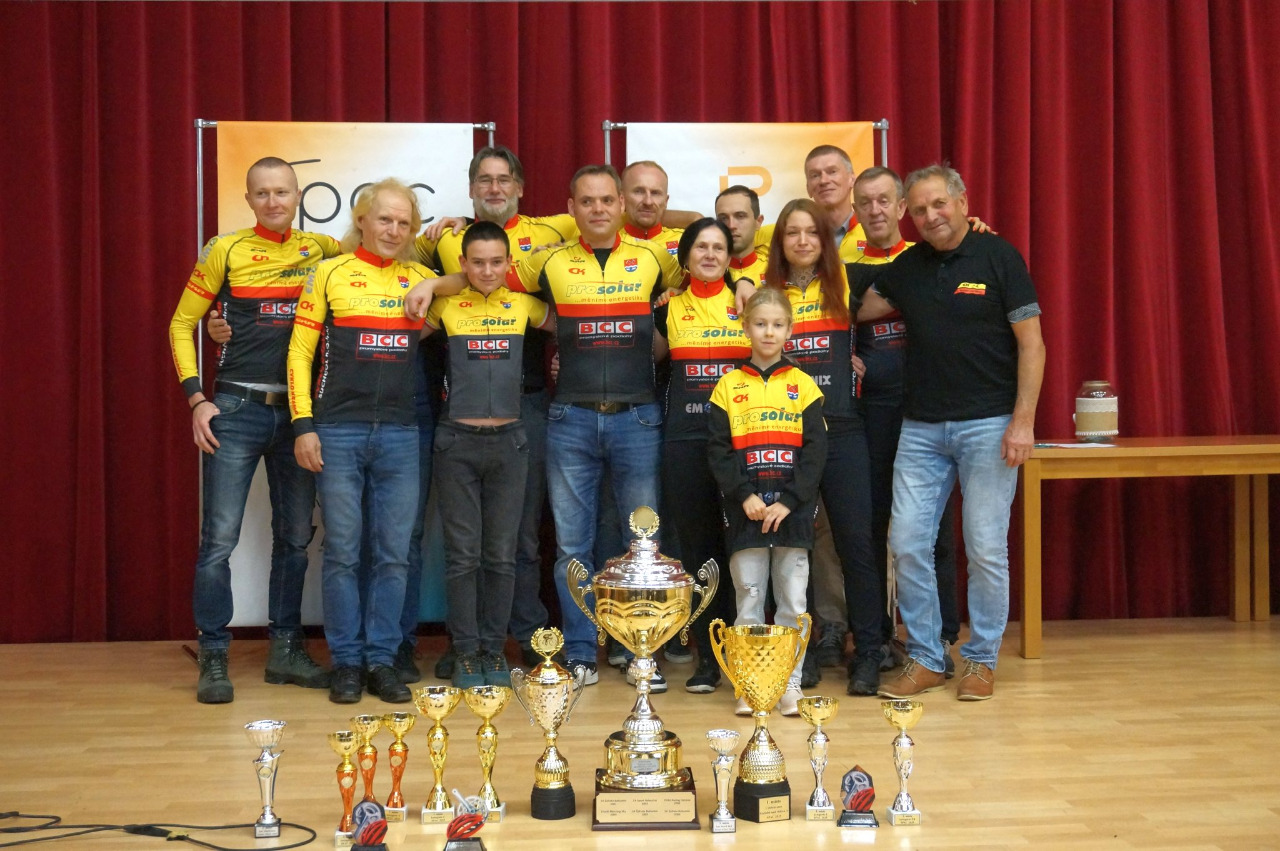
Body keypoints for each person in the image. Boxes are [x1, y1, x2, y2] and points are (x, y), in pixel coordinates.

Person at [859, 164, 1045, 702]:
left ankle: (981, 661)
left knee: (985, 549)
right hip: (920, 429)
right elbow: (857, 306)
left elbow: (1032, 344)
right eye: (919, 209)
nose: (930, 216)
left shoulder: (999, 256)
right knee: (906, 543)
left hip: (990, 425)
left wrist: (1023, 421)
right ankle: (926, 657)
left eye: (939, 203)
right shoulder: (908, 266)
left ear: (963, 202)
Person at [168, 156, 337, 704]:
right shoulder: (226, 249)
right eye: (262, 193)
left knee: (295, 537)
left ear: (298, 195)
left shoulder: (321, 250)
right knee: (219, 539)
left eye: (282, 191)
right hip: (236, 409)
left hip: (299, 415)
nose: (273, 201)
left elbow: (381, 254)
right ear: (248, 200)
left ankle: (285, 652)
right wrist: (197, 399)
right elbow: (181, 323)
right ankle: (214, 655)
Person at [509, 164, 682, 683]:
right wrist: (435, 284)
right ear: (572, 208)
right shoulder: (549, 261)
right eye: (587, 201)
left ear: (622, 204)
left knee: (642, 545)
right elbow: (487, 277)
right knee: (571, 547)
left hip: (638, 418)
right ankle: (582, 652)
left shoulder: (655, 257)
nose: (599, 209)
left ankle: (637, 651)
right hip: (571, 419)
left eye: (608, 200)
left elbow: (708, 272)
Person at [416, 146, 573, 679]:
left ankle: (509, 641)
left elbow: (574, 320)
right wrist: (434, 283)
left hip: (522, 414)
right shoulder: (444, 247)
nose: (494, 188)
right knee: (463, 550)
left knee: (515, 543)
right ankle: (467, 647)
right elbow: (401, 325)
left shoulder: (551, 236)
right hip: (458, 424)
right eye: (484, 180)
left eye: (504, 179)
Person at [287, 178, 438, 705]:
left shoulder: (420, 280)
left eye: (404, 223)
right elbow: (300, 352)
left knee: (394, 555)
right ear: (362, 221)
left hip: (401, 432)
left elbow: (480, 281)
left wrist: (438, 284)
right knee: (343, 553)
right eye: (384, 219)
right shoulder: (329, 273)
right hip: (337, 430)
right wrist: (303, 424)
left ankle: (382, 660)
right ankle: (347, 663)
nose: (393, 230)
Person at [845, 166, 961, 691]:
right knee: (870, 530)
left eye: (883, 200)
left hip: (925, 410)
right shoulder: (842, 266)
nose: (874, 210)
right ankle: (874, 640)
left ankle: (938, 640)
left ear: (900, 209)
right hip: (868, 413)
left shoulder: (928, 257)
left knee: (933, 531)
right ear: (855, 211)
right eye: (864, 202)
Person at [761, 199, 878, 701]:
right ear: (780, 242)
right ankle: (801, 653)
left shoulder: (850, 280)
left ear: (826, 240)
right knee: (795, 548)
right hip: (787, 436)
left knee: (856, 544)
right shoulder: (765, 292)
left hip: (844, 429)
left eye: (812, 231)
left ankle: (868, 652)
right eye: (793, 233)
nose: (804, 240)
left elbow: (914, 275)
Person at [707, 287, 827, 717]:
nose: (769, 332)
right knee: (749, 600)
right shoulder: (727, 386)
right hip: (747, 513)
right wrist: (744, 495)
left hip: (791, 514)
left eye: (777, 325)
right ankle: (751, 685)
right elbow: (719, 451)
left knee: (793, 602)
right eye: (760, 324)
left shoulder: (804, 386)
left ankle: (789, 684)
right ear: (746, 328)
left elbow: (815, 452)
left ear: (790, 331)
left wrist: (789, 501)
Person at [652, 218, 751, 693]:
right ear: (686, 257)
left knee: (746, 549)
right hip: (686, 442)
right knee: (698, 551)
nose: (710, 255)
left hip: (744, 444)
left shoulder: (748, 304)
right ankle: (709, 656)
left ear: (730, 258)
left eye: (719, 248)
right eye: (701, 247)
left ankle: (750, 651)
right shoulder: (667, 310)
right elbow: (644, 364)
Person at [715, 185, 769, 285]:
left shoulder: (775, 272)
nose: (731, 225)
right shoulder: (705, 272)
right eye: (723, 218)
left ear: (758, 221)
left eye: (740, 216)